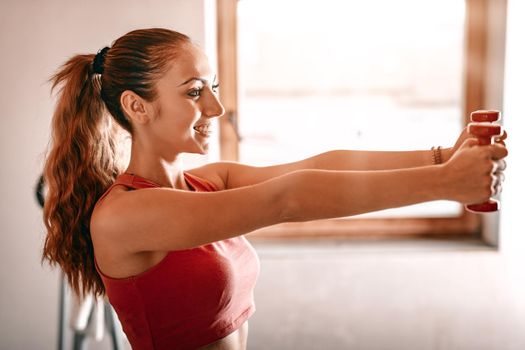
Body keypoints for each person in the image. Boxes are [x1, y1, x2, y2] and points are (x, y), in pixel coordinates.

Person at [42, 28, 508, 350]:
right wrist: (446, 184)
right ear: (136, 107)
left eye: (214, 87)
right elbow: (287, 198)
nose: (217, 106)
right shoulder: (125, 216)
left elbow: (319, 166)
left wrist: (443, 157)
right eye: (194, 91)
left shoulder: (207, 182)